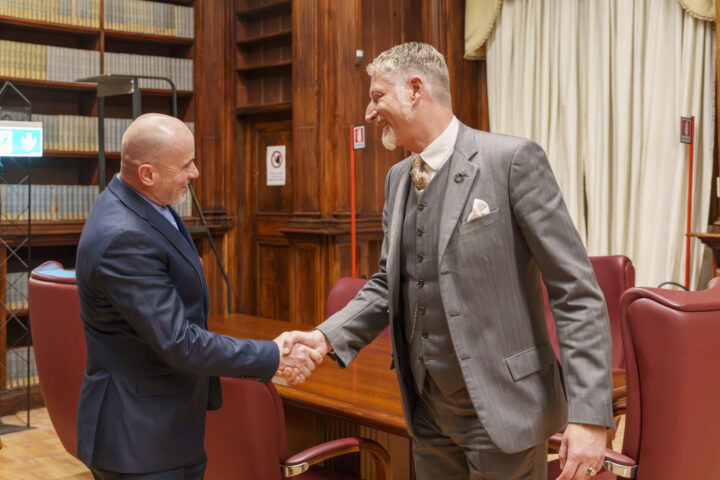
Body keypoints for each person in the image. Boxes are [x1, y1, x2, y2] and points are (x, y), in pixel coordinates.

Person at [283, 43, 613, 480]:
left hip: (506, 409)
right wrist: (324, 338)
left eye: (378, 96)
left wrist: (589, 415)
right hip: (427, 412)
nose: (369, 112)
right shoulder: (397, 180)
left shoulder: (512, 161)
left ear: (415, 89)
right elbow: (388, 284)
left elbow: (576, 292)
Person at [75, 113, 320, 480]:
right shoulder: (125, 236)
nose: (196, 173)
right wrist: (273, 355)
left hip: (163, 426)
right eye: (186, 165)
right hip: (140, 439)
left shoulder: (144, 204)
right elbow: (179, 342)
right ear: (147, 174)